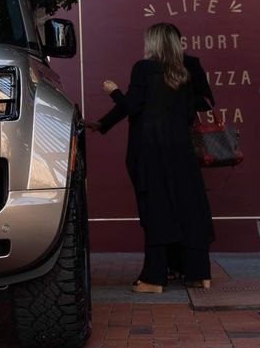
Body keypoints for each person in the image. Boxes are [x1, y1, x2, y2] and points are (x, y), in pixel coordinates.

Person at [91, 22, 215, 292]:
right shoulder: (188, 68)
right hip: (182, 151)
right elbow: (204, 102)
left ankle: (153, 278)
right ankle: (198, 274)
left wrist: (113, 91)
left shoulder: (144, 68)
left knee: (156, 209)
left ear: (153, 43)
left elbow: (132, 106)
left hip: (150, 152)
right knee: (188, 208)